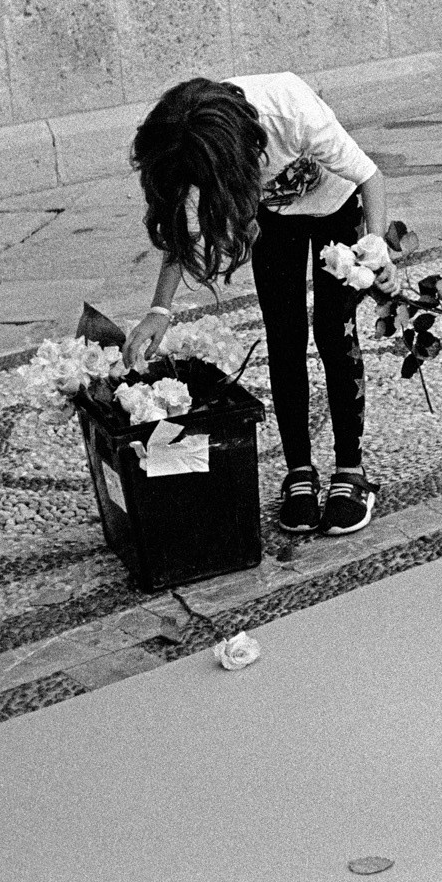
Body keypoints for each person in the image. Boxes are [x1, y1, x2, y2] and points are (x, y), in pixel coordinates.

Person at [123, 74, 389, 537]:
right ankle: (299, 471)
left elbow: (369, 177)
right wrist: (159, 310)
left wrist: (375, 244)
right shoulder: (191, 133)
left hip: (338, 206)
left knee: (333, 330)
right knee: (284, 336)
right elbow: (183, 228)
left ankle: (351, 470)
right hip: (274, 221)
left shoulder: (291, 112)